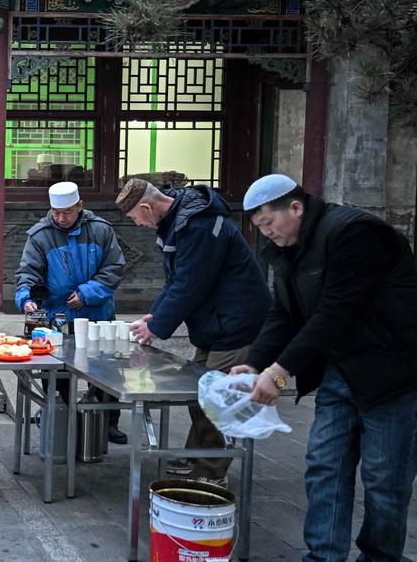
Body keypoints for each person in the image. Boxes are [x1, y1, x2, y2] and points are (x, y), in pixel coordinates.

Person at [230, 174, 417, 562]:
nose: (266, 235)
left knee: (385, 480)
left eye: (268, 224)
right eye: (259, 228)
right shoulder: (287, 250)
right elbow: (283, 313)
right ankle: (323, 556)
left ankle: (380, 557)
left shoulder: (353, 232)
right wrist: (254, 362)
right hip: (339, 373)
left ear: (295, 207)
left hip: (391, 375)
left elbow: (338, 311)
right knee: (324, 466)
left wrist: (279, 373)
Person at [116, 177, 270, 486]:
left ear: (146, 207)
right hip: (214, 321)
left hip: (236, 322)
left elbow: (190, 285)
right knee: (197, 390)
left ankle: (211, 473)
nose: (140, 225)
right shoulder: (179, 220)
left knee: (216, 397)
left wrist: (155, 328)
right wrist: (154, 315)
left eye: (136, 219)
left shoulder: (199, 226)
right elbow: (176, 281)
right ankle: (195, 456)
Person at [15, 181, 128, 443]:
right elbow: (27, 273)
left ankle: (107, 422)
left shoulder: (100, 230)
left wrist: (88, 294)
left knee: (104, 369)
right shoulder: (40, 235)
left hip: (97, 313)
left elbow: (114, 268)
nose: (60, 218)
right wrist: (25, 298)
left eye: (67, 212)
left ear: (80, 206)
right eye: (56, 212)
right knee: (57, 371)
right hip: (58, 314)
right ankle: (60, 416)